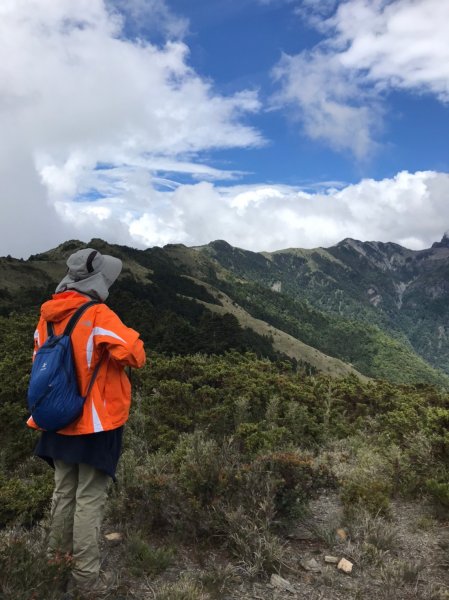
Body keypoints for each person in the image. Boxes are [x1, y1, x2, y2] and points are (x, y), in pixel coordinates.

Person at [27, 248, 146, 596]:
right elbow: (134, 354)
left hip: (57, 416)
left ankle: (54, 568)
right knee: (89, 497)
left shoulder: (47, 316)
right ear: (96, 281)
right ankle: (85, 579)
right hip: (95, 421)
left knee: (63, 491)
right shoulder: (98, 314)